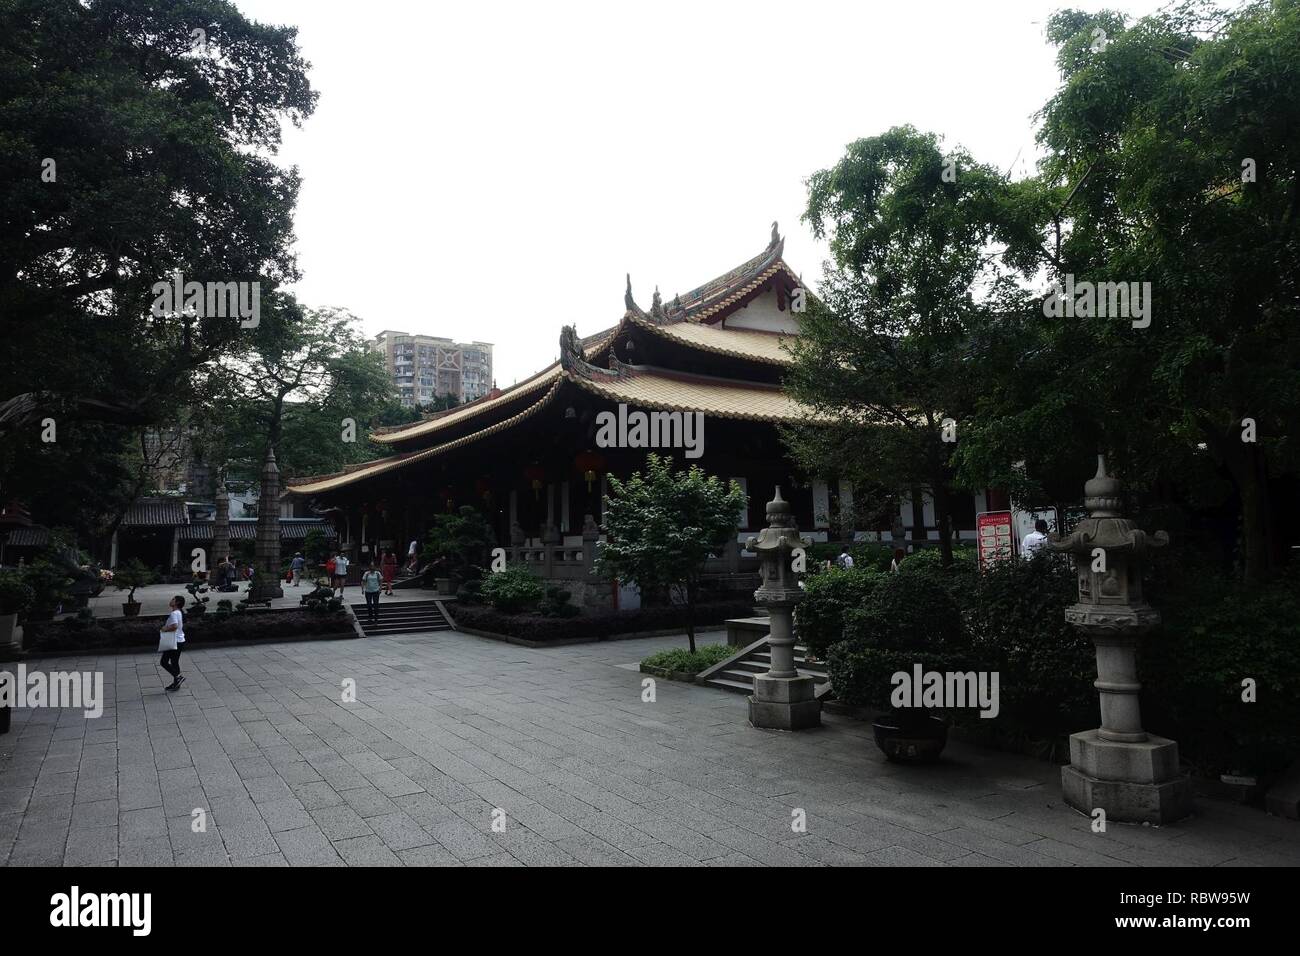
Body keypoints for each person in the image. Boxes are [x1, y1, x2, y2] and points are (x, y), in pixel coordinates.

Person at [158, 595, 187, 692]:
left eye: (173, 599)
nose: (171, 601)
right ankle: (176, 683)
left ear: (177, 603)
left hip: (174, 641)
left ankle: (178, 677)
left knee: (164, 662)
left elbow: (174, 626)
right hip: (179, 641)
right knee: (174, 662)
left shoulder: (175, 613)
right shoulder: (178, 612)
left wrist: (164, 628)